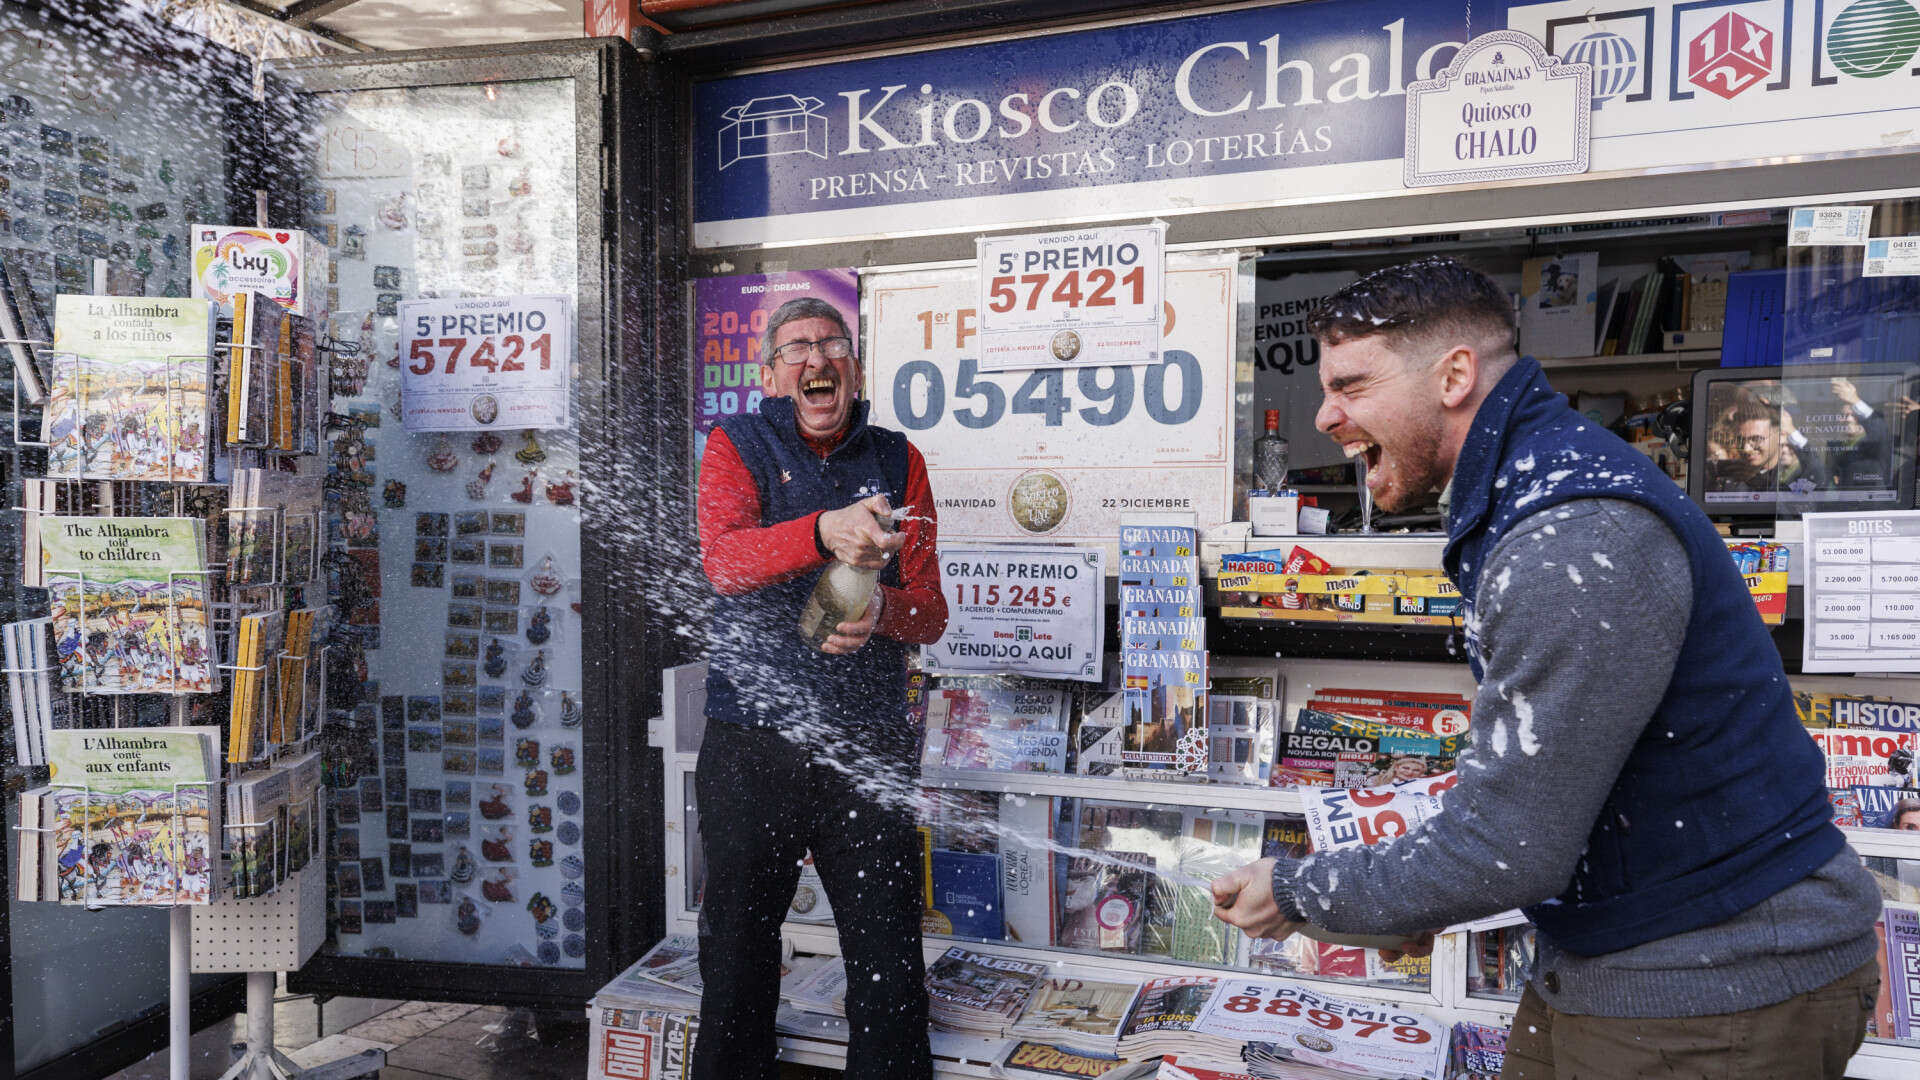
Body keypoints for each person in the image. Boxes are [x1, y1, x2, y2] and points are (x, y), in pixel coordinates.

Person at [1210, 258, 1882, 1079]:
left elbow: (1511, 847)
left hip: (1716, 992)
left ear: (1455, 375)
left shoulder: (1572, 533)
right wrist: (1416, 895)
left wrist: (1299, 892)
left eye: (1352, 385)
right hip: (1618, 962)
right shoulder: (1531, 487)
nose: (1327, 416)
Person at [693, 296, 948, 1080]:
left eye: (833, 344)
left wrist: (882, 612)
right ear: (772, 373)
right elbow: (724, 562)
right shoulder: (737, 445)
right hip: (751, 748)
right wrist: (820, 532)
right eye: (797, 347)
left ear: (855, 366)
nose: (817, 359)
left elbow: (932, 612)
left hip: (865, 751)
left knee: (889, 964)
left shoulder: (900, 459)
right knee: (736, 958)